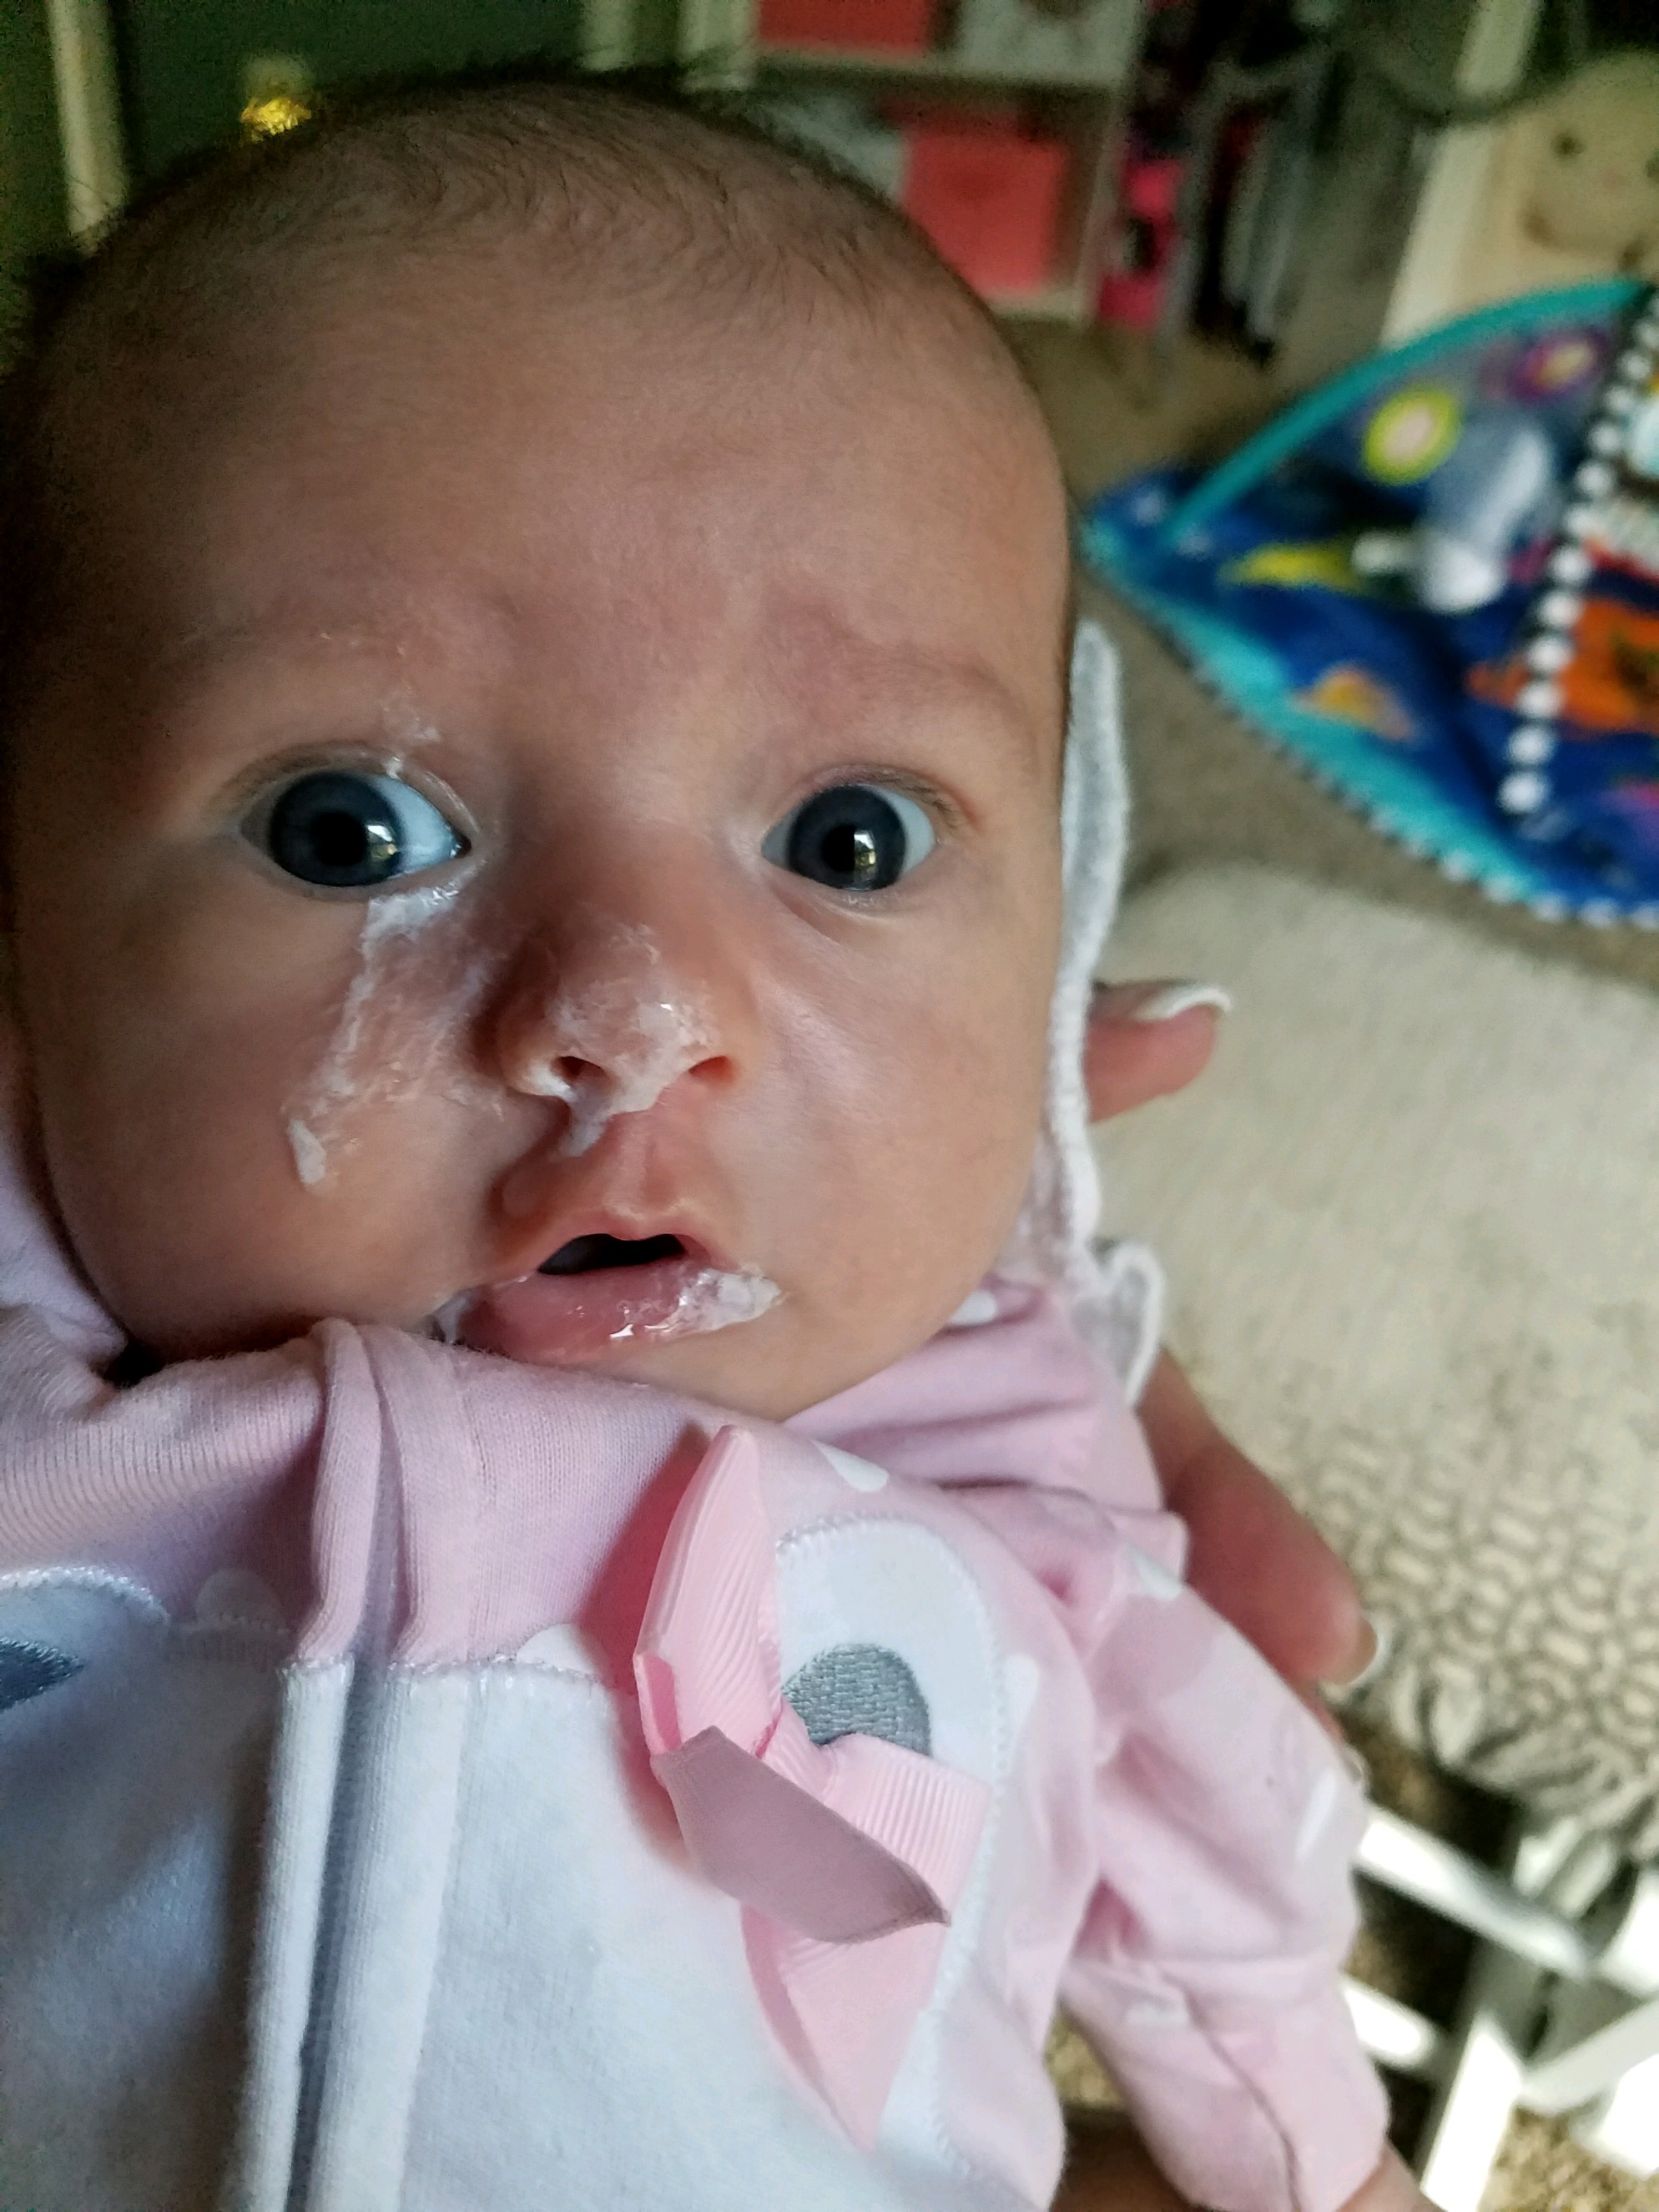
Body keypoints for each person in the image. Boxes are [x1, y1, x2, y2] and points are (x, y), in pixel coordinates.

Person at [0, 73, 1416, 2212]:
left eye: (849, 840)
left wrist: (1323, 2161)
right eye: (349, 828)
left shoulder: (1024, 1496)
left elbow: (1218, 1901)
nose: (634, 1011)